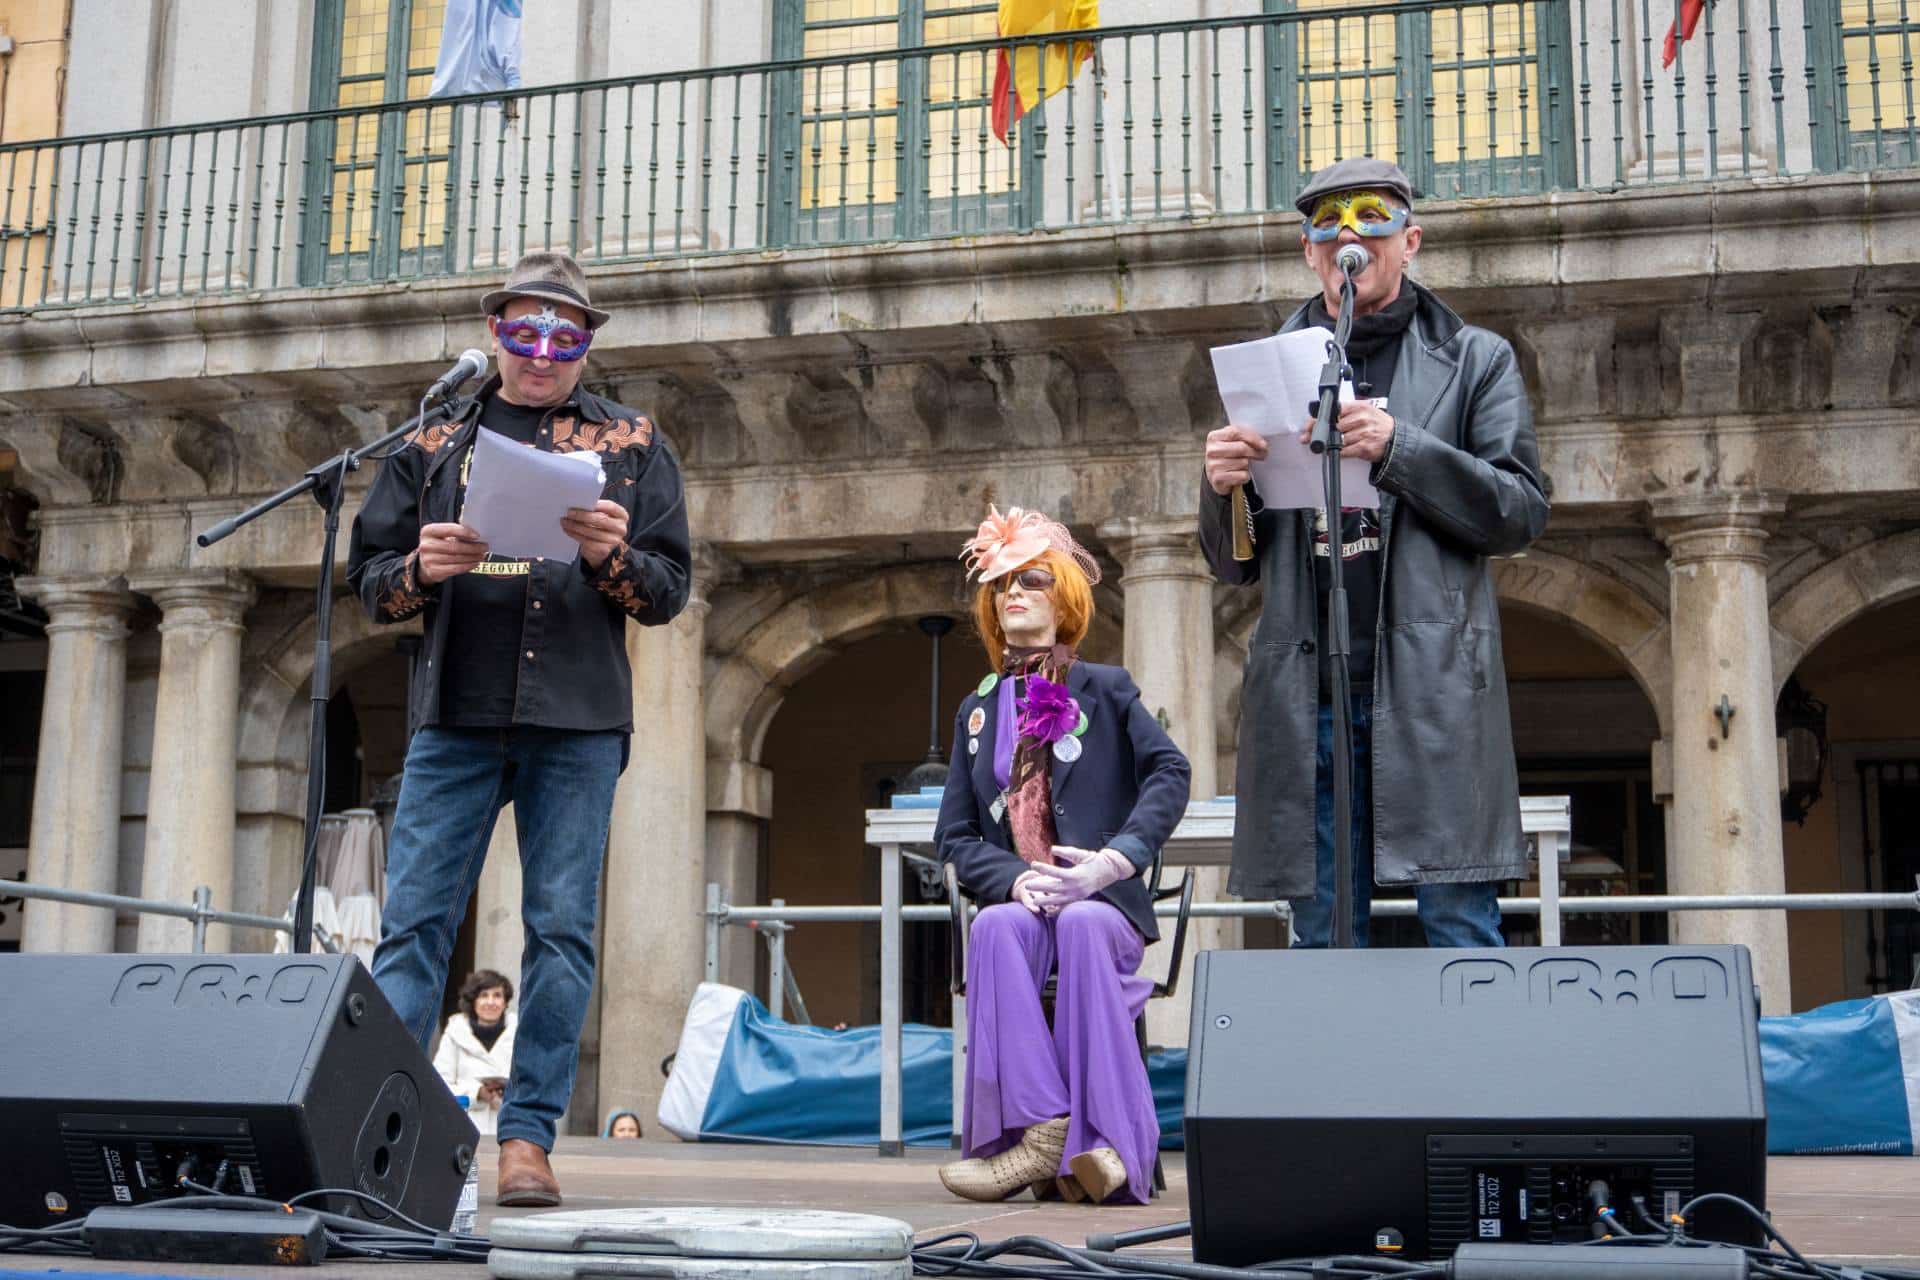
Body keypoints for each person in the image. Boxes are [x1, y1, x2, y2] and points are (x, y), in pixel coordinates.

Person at [347, 251, 692, 1206]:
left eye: (563, 336)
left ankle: (528, 1140)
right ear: (492, 331)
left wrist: (614, 558)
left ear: (587, 345)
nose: (542, 352)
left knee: (561, 932)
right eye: (523, 331)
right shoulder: (432, 436)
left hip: (578, 718)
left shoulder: (632, 439)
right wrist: (421, 568)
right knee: (413, 927)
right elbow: (369, 583)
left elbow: (669, 591)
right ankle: (386, 1137)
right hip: (455, 712)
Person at [1199, 157, 1549, 948]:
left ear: (1410, 242)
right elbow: (1232, 565)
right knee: (1323, 937)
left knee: (1458, 925)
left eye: (1370, 220)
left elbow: (1520, 511)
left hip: (1431, 687)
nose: (1347, 238)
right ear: (1307, 251)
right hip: (1309, 691)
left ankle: (1470, 1040)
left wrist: (1402, 448)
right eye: (1326, 226)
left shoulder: (1475, 358)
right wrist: (1222, 488)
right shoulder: (1269, 365)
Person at [934, 506, 1191, 1206]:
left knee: (1080, 924)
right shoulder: (976, 710)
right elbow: (955, 835)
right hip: (1026, 905)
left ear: (1065, 596)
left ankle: (1110, 1142)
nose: (1013, 593)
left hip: (1099, 904)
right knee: (993, 926)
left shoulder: (1106, 688)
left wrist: (1113, 862)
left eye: (1033, 580)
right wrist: (1014, 881)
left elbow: (1170, 772)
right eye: (1002, 584)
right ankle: (1044, 1130)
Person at [433, 970, 517, 1136]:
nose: (490, 1002)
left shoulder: (520, 1034)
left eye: (497, 995)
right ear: (473, 1001)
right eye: (484, 995)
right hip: (464, 1128)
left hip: (510, 1128)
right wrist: (477, 1093)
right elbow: (438, 1085)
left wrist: (509, 1092)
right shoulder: (455, 1034)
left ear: (505, 1002)